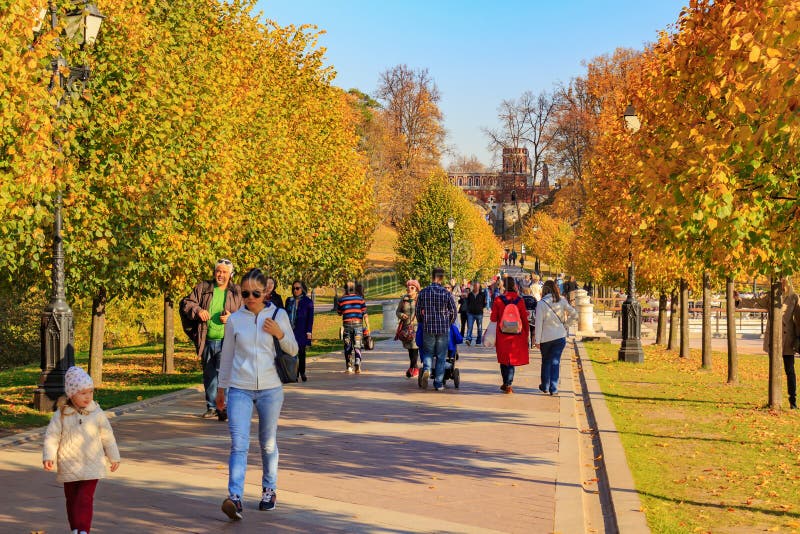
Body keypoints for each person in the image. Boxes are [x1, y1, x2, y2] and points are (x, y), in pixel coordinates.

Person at [217, 268, 298, 520]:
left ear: (266, 292)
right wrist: (221, 388)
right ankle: (235, 498)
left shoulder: (278, 314)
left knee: (268, 443)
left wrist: (279, 333)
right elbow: (227, 356)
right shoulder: (234, 320)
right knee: (239, 444)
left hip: (271, 389)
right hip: (239, 388)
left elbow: (293, 350)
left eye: (255, 293)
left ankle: (269, 489)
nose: (250, 297)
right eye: (245, 293)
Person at [43, 366, 121, 534]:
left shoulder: (97, 413)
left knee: (85, 498)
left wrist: (114, 457)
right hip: (69, 463)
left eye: (90, 392)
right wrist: (49, 455)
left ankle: (83, 530)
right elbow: (52, 436)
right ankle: (76, 529)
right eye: (83, 393)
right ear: (72, 394)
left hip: (92, 464)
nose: (88, 397)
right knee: (71, 500)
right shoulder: (62, 414)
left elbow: (108, 436)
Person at [182, 259, 243, 420]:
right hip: (207, 338)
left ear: (231, 275)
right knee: (209, 375)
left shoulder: (237, 291)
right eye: (218, 271)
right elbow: (187, 303)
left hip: (228, 340)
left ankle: (224, 407)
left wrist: (233, 317)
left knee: (225, 375)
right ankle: (212, 407)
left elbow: (248, 312)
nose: (220, 275)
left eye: (224, 272)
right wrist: (198, 310)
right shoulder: (203, 288)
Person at [415, 267, 457, 391]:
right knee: (441, 356)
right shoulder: (446, 293)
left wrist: (422, 322)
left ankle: (427, 369)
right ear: (441, 278)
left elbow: (417, 311)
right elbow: (454, 312)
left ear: (432, 276)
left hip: (428, 327)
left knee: (428, 352)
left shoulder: (424, 292)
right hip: (443, 329)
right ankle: (438, 383)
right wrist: (448, 323)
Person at [535, 280, 578, 395]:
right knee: (555, 361)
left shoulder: (541, 304)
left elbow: (538, 324)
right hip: (559, 336)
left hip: (545, 338)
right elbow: (575, 314)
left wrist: (537, 340)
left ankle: (545, 385)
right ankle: (554, 387)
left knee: (546, 361)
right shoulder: (562, 301)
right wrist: (566, 325)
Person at [762, 277, 800, 409]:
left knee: (790, 371)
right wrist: (738, 299)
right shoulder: (770, 296)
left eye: (784, 279)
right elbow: (755, 303)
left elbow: (799, 319)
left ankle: (793, 401)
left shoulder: (794, 297)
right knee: (774, 369)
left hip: (787, 340)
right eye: (780, 280)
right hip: (773, 338)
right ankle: (774, 399)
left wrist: (798, 338)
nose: (782, 282)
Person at [490, 277, 530, 393]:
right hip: (516, 334)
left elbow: (493, 318)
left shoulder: (498, 300)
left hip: (502, 334)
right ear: (514, 285)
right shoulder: (520, 300)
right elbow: (524, 319)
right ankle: (508, 383)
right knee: (512, 359)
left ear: (504, 286)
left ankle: (506, 382)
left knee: (504, 359)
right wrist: (526, 333)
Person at [285, 280, 314, 382]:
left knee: (301, 352)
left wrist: (309, 332)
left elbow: (310, 318)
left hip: (302, 330)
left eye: (298, 288)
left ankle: (302, 372)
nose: (295, 290)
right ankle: (294, 374)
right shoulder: (289, 300)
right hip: (290, 330)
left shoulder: (308, 302)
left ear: (302, 289)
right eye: (294, 288)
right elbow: (284, 316)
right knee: (292, 353)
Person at [337, 281, 368, 373]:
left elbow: (339, 313)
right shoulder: (360, 299)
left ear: (345, 289)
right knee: (358, 345)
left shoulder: (341, 299)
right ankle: (358, 363)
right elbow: (364, 313)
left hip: (347, 326)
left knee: (348, 346)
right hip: (358, 325)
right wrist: (367, 326)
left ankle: (349, 367)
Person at [396, 279, 421, 378]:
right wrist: (401, 315)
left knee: (415, 347)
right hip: (406, 328)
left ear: (416, 289)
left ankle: (413, 368)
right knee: (410, 348)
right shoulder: (403, 299)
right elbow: (397, 311)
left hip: (417, 327)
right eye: (408, 287)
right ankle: (413, 367)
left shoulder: (420, 299)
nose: (409, 289)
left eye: (412, 288)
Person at [465, 281, 486, 346]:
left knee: (479, 328)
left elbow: (484, 303)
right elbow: (467, 302)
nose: (476, 287)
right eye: (475, 286)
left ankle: (478, 341)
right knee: (469, 327)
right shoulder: (470, 294)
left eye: (477, 286)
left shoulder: (482, 294)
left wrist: (481, 308)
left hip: (479, 313)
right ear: (473, 287)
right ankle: (468, 339)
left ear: (479, 287)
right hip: (470, 313)